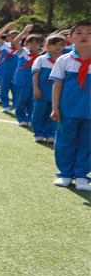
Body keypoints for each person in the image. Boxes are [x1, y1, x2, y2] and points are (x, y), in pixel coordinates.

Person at [50, 20, 91, 192]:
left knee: (87, 144)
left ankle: (82, 176)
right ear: (70, 38)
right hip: (68, 110)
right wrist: (55, 108)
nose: (84, 36)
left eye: (89, 32)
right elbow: (57, 85)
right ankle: (65, 174)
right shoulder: (64, 60)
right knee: (64, 143)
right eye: (79, 32)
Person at [32, 34, 65, 143]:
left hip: (56, 94)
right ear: (47, 46)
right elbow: (36, 75)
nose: (58, 47)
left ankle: (50, 134)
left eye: (61, 45)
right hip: (42, 92)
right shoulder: (41, 59)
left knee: (54, 113)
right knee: (39, 113)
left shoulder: (64, 60)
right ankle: (38, 133)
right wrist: (36, 88)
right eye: (55, 44)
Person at [11, 32, 42, 128]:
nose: (34, 44)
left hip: (35, 83)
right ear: (27, 44)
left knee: (32, 101)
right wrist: (24, 31)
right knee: (21, 100)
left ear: (40, 44)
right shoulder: (23, 52)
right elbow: (16, 42)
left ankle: (29, 118)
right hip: (22, 82)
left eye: (36, 42)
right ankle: (21, 118)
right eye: (31, 42)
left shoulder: (42, 55)